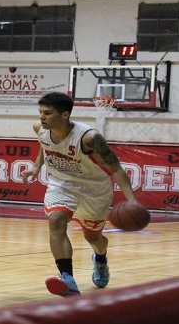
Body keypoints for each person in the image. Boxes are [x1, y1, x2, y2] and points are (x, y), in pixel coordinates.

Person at [20, 92, 137, 297]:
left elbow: (116, 169)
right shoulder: (40, 129)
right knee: (56, 220)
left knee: (93, 237)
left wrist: (132, 200)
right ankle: (67, 278)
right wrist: (37, 166)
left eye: (47, 113)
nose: (41, 117)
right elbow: (44, 145)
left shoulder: (90, 138)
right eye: (40, 112)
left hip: (94, 189)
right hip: (61, 184)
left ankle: (100, 258)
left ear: (65, 115)